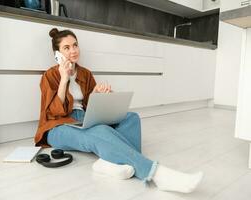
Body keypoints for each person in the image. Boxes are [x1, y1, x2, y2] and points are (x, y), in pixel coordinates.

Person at [34, 28, 203, 193]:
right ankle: (157, 174)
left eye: (75, 45)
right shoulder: (50, 75)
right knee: (99, 130)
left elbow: (90, 105)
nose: (73, 50)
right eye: (66, 47)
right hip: (57, 126)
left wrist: (97, 95)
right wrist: (64, 79)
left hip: (84, 118)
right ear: (57, 53)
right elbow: (54, 112)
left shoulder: (85, 73)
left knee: (131, 118)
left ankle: (110, 164)